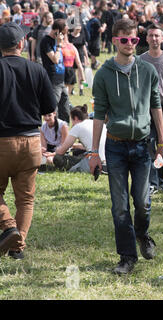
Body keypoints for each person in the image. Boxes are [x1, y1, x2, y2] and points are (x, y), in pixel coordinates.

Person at [89, 18, 163, 275]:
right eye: (125, 40)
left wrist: (162, 141)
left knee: (142, 202)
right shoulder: (103, 74)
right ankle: (127, 257)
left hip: (144, 146)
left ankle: (142, 235)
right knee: (120, 206)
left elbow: (156, 105)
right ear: (114, 41)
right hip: (116, 146)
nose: (130, 44)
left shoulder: (147, 71)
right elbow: (99, 114)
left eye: (134, 39)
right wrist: (93, 153)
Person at [0, 22, 56, 259]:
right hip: (31, 141)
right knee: (26, 199)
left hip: (1, 142)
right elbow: (50, 107)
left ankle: (9, 227)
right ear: (21, 44)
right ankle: (17, 248)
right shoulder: (37, 70)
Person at [140, 24, 163, 195]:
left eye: (157, 36)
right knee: (148, 144)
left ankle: (162, 179)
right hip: (146, 108)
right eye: (151, 35)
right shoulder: (140, 60)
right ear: (146, 38)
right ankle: (152, 181)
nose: (154, 39)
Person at [53, 105, 107, 172]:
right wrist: (75, 145)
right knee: (78, 153)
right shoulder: (96, 123)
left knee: (57, 158)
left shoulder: (78, 127)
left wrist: (53, 153)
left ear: (75, 118)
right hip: (107, 160)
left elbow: (61, 151)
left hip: (93, 161)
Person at [40, 18, 71, 124]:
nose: (63, 36)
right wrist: (58, 45)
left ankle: (65, 131)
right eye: (62, 33)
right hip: (52, 80)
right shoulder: (46, 41)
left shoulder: (57, 40)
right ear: (57, 31)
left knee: (65, 109)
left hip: (61, 80)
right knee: (53, 109)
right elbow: (55, 59)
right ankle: (53, 131)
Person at [61, 25, 85, 97]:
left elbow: (79, 63)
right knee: (65, 94)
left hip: (68, 70)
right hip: (64, 70)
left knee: (66, 94)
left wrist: (83, 76)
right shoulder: (61, 46)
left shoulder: (71, 47)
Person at [69, 24, 89, 96]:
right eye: (77, 29)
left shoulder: (82, 36)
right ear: (74, 28)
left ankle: (81, 90)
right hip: (71, 56)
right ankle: (72, 88)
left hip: (80, 56)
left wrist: (86, 57)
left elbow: (84, 48)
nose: (78, 31)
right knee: (72, 74)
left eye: (79, 29)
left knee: (80, 73)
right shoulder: (69, 36)